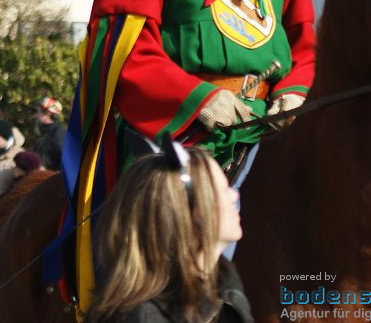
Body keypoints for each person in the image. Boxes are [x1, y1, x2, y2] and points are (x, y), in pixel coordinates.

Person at [57, 0, 317, 312]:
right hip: (178, 141)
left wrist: (295, 89)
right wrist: (201, 98)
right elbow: (120, 55)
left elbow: (305, 41)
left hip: (269, 128)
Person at [85, 138, 251, 323]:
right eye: (223, 189)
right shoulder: (139, 318)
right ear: (189, 215)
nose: (234, 195)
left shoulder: (226, 282)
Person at [33, 96, 65, 171]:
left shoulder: (58, 134)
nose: (36, 115)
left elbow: (64, 162)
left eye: (38, 111)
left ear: (48, 113)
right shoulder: (43, 132)